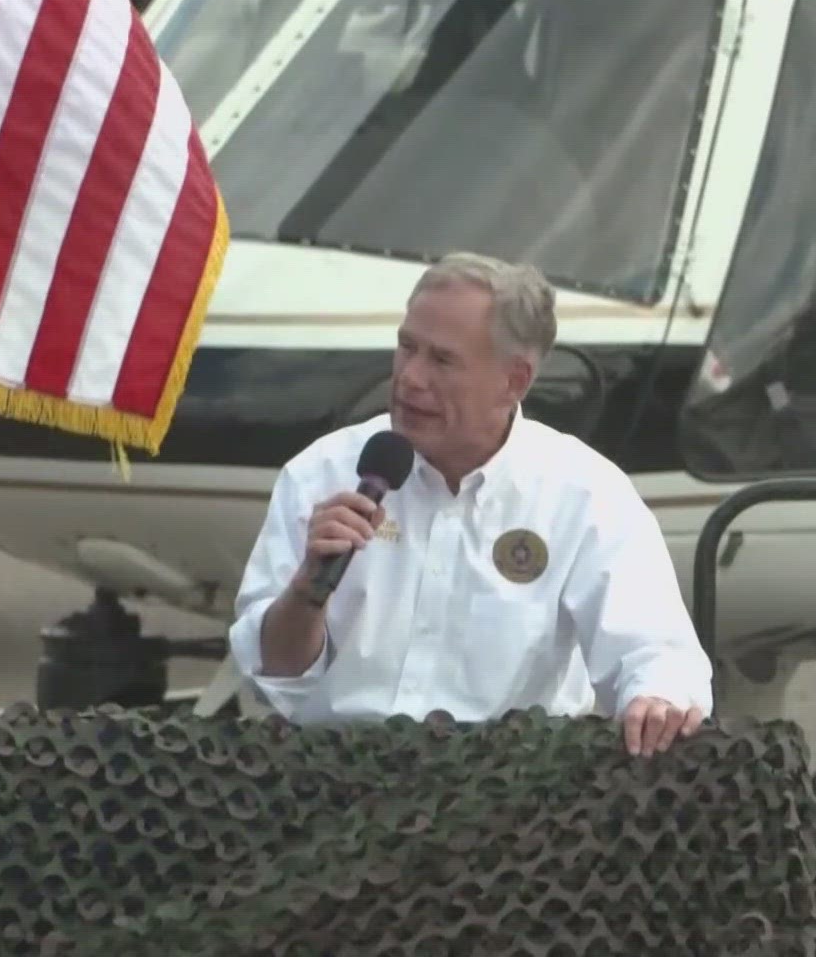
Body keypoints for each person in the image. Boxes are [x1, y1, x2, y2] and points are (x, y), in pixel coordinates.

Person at [227, 251, 714, 757]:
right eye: (406, 347)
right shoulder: (324, 472)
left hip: (510, 796)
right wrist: (306, 593)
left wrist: (656, 697)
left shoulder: (584, 495)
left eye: (441, 360)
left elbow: (656, 653)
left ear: (514, 381)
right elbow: (272, 680)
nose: (411, 378)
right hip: (331, 775)